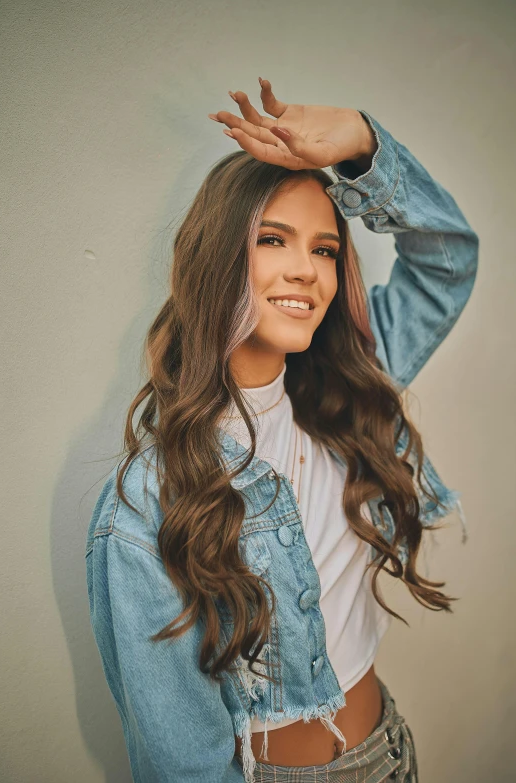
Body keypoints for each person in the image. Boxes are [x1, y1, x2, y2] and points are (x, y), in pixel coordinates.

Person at [85, 77, 479, 783]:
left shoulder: (353, 381)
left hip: (389, 752)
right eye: (274, 239)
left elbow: (448, 258)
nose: (307, 270)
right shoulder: (146, 503)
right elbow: (182, 763)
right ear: (219, 256)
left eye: (326, 250)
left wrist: (361, 141)